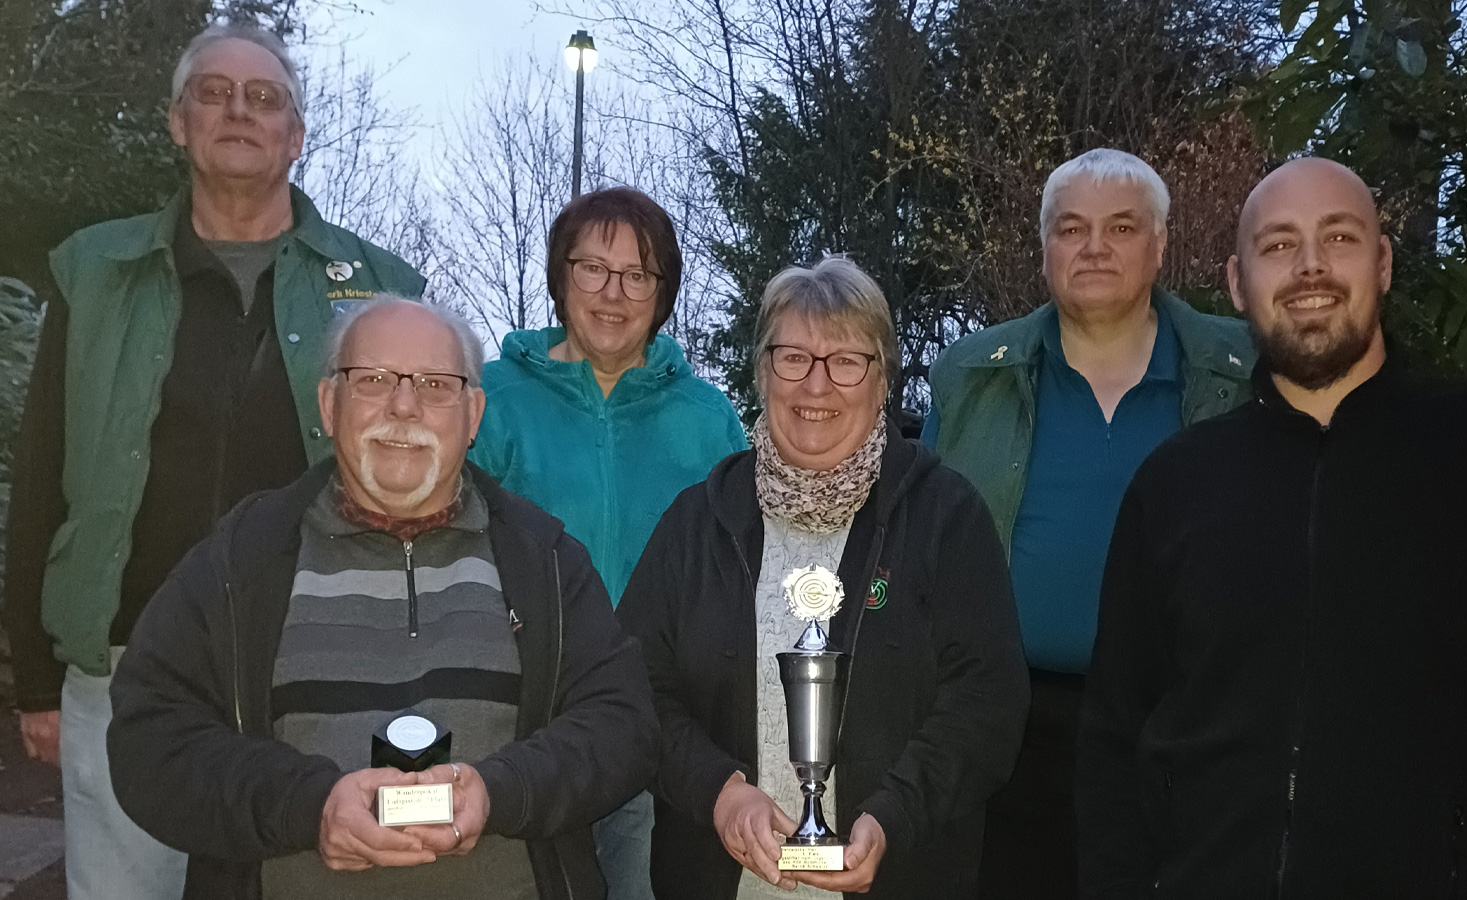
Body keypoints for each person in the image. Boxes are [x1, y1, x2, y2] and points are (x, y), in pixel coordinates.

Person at [1078, 157, 1467, 897]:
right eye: (1279, 244)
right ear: (1236, 282)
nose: (1311, 266)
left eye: (1340, 237)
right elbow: (1115, 740)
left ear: (1383, 263)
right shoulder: (1176, 484)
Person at [1, 23, 424, 900]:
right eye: (214, 92)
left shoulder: (378, 290)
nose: (239, 110)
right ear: (177, 122)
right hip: (124, 667)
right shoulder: (97, 274)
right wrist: (37, 678)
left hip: (312, 663)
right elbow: (41, 479)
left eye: (265, 98)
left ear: (297, 136)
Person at [104, 298, 660, 900]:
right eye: (371, 380)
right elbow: (149, 739)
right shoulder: (243, 559)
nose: (403, 404)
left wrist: (502, 791)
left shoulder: (545, 559)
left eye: (435, 384)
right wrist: (307, 807)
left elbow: (622, 723)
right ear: (328, 404)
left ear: (473, 414)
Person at [617, 257, 1029, 900]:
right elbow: (635, 689)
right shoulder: (696, 524)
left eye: (846, 361)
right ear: (762, 372)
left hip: (901, 877)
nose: (817, 385)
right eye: (793, 358)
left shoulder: (946, 518)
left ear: (882, 379)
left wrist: (894, 816)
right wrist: (719, 793)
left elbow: (986, 706)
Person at [921, 147, 1256, 895]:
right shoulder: (973, 375)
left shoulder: (1239, 373)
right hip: (1011, 724)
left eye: (1122, 228)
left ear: (1161, 244)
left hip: (1183, 721)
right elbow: (918, 549)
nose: (1095, 247)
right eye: (1072, 229)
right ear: (1045, 249)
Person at [470, 186, 747, 900]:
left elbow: (739, 567)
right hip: (517, 718)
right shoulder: (489, 401)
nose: (613, 292)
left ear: (665, 291)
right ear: (562, 277)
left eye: (637, 274)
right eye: (593, 268)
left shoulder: (708, 419)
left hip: (651, 727)